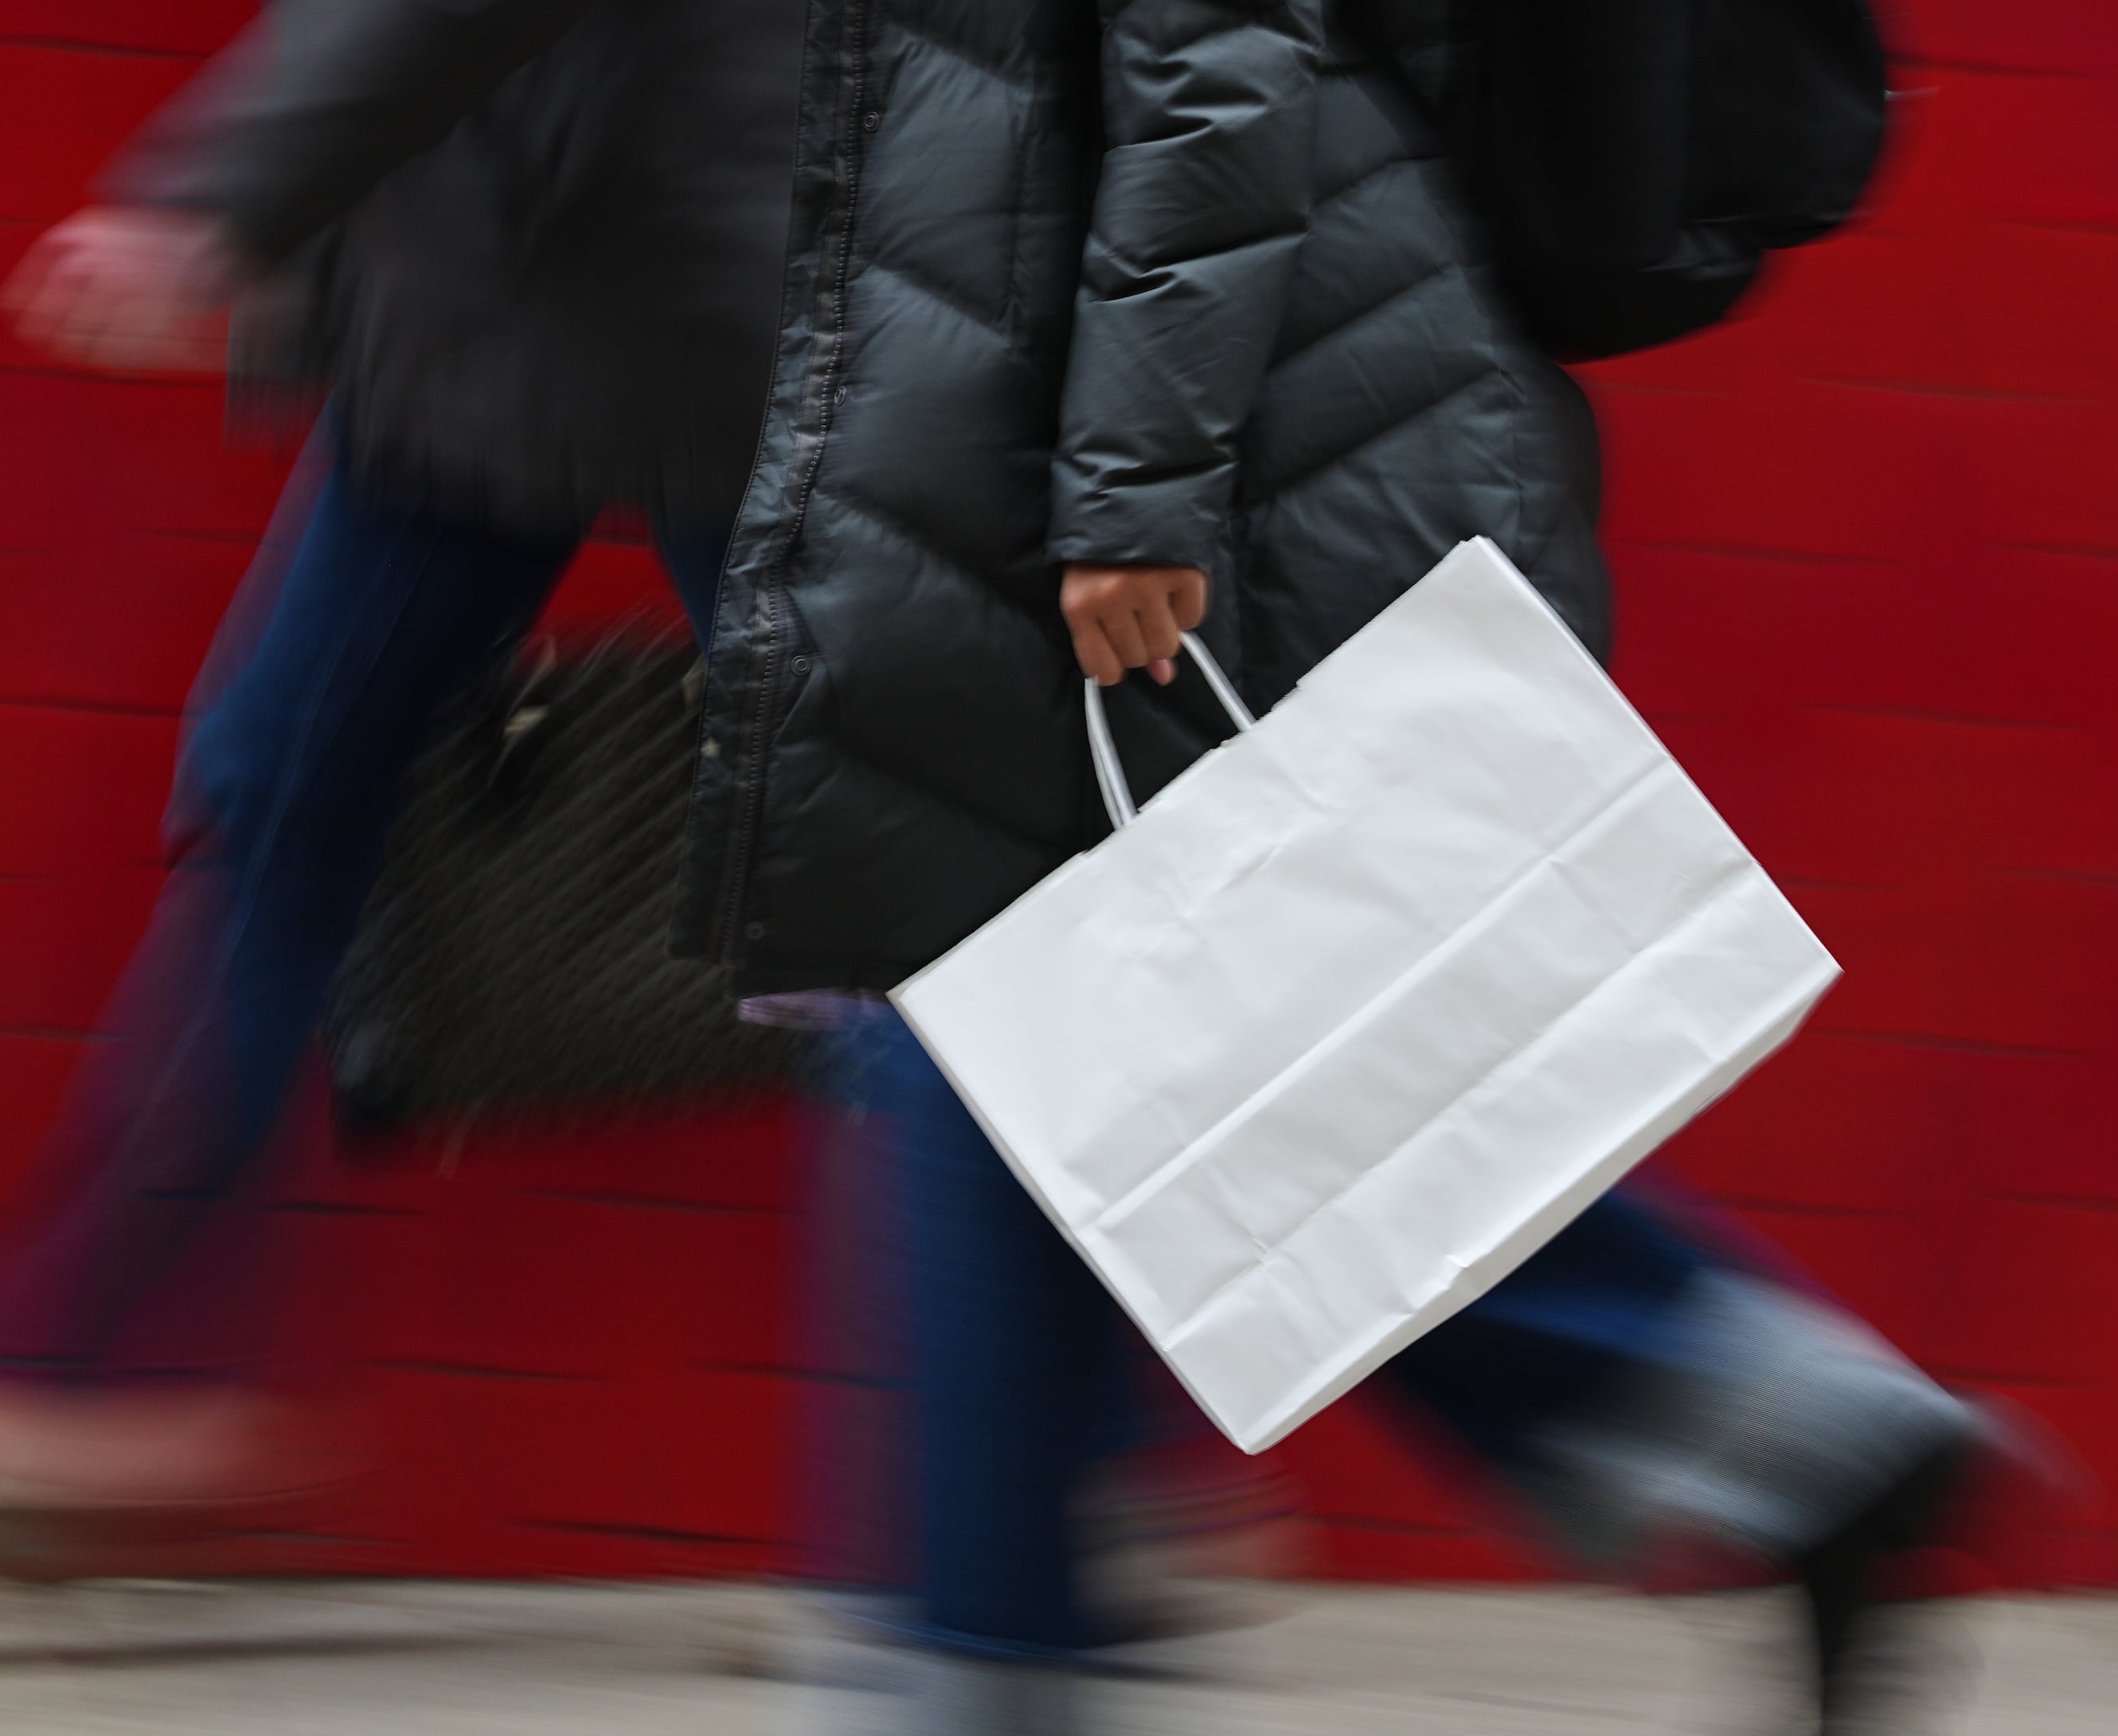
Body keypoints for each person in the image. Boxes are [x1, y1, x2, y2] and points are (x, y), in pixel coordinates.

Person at [671, 0, 2031, 1730]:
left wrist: (1136, 488)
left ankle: (986, 1651)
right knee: (1057, 1007)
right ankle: (1768, 1418)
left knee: (985, 981)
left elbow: (1215, 53)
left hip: (1160, 407)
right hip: (1069, 362)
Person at [0, 0, 802, 1573]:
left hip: (673, 258)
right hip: (559, 270)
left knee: (866, 845)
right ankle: (91, 1369)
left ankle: (1055, 1451)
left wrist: (219, 196)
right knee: (294, 778)